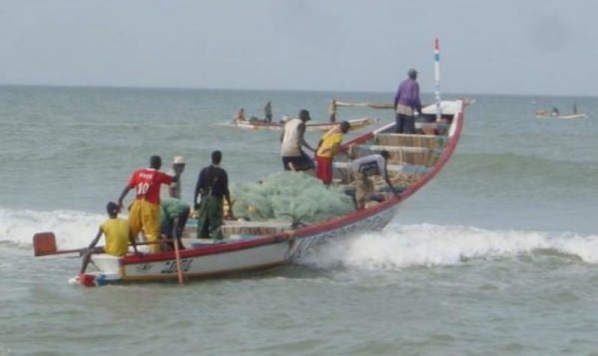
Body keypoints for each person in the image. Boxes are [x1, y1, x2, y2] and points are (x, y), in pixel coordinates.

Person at [117, 155, 179, 253]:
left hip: (136, 204)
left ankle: (123, 251)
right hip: (150, 205)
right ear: (159, 164)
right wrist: (176, 169)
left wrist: (120, 200)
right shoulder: (158, 175)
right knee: (152, 233)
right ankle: (155, 255)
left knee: (131, 231)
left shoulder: (138, 172)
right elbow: (174, 180)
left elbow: (128, 187)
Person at [79, 202, 138, 274]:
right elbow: (132, 239)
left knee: (88, 253)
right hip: (124, 251)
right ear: (117, 210)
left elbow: (95, 241)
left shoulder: (104, 224)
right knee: (100, 248)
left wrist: (88, 249)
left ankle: (80, 274)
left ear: (108, 212)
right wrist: (136, 251)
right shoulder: (126, 222)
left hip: (112, 251)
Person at [193, 150, 233, 240]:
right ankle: (216, 244)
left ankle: (200, 243)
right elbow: (226, 191)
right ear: (220, 159)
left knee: (202, 224)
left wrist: (195, 202)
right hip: (215, 202)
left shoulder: (204, 171)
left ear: (211, 158)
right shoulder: (222, 173)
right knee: (216, 225)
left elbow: (197, 187)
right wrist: (230, 206)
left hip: (204, 201)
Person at [315, 121, 351, 185]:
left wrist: (318, 150)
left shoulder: (332, 130)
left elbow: (322, 139)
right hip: (326, 156)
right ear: (346, 129)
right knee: (327, 177)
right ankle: (327, 189)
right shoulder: (340, 135)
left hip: (319, 154)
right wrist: (340, 151)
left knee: (320, 175)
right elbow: (334, 146)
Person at [393, 68, 422, 134]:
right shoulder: (415, 84)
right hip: (408, 107)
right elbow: (415, 98)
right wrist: (419, 110)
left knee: (398, 128)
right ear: (414, 76)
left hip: (399, 106)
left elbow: (397, 96)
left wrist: (395, 107)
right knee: (410, 129)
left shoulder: (402, 83)